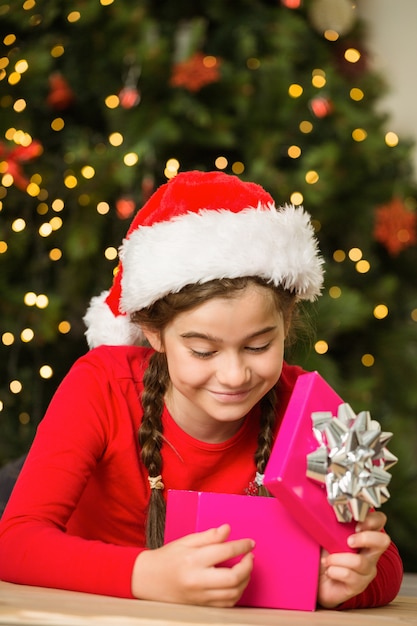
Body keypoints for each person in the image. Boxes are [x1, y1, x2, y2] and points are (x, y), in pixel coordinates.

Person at [0, 171, 402, 609]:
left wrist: (333, 584)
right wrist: (145, 575)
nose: (233, 375)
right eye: (202, 350)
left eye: (258, 346)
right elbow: (14, 542)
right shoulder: (101, 385)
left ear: (286, 323)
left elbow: (383, 563)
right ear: (153, 333)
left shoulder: (305, 406)